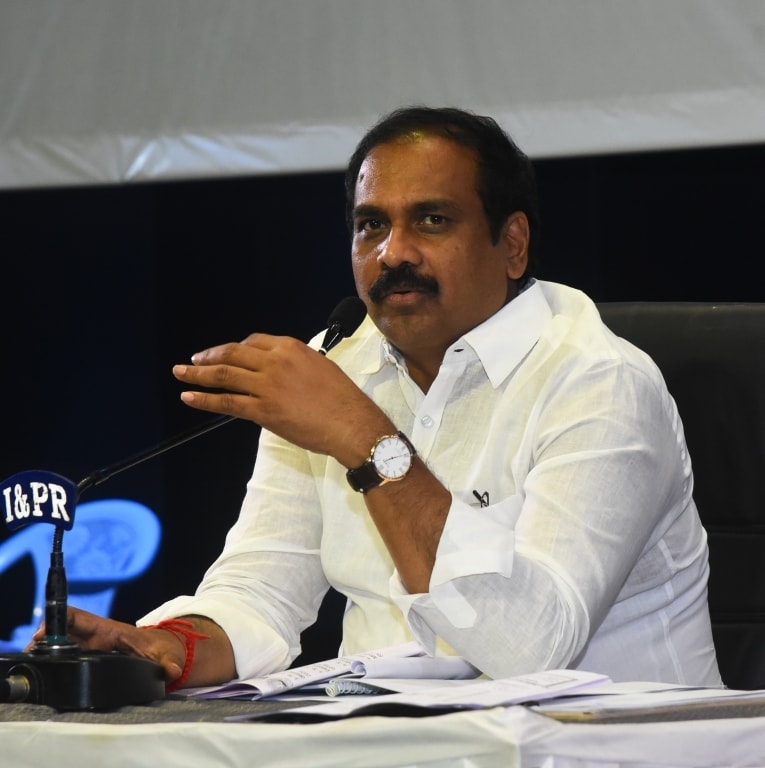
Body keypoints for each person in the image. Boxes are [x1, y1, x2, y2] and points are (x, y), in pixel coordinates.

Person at [42, 106, 721, 689]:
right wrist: (169, 647)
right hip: (398, 739)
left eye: (432, 220)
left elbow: (532, 649)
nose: (393, 253)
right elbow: (261, 590)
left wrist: (368, 442)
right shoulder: (335, 367)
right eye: (371, 226)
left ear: (512, 244)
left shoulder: (598, 382)